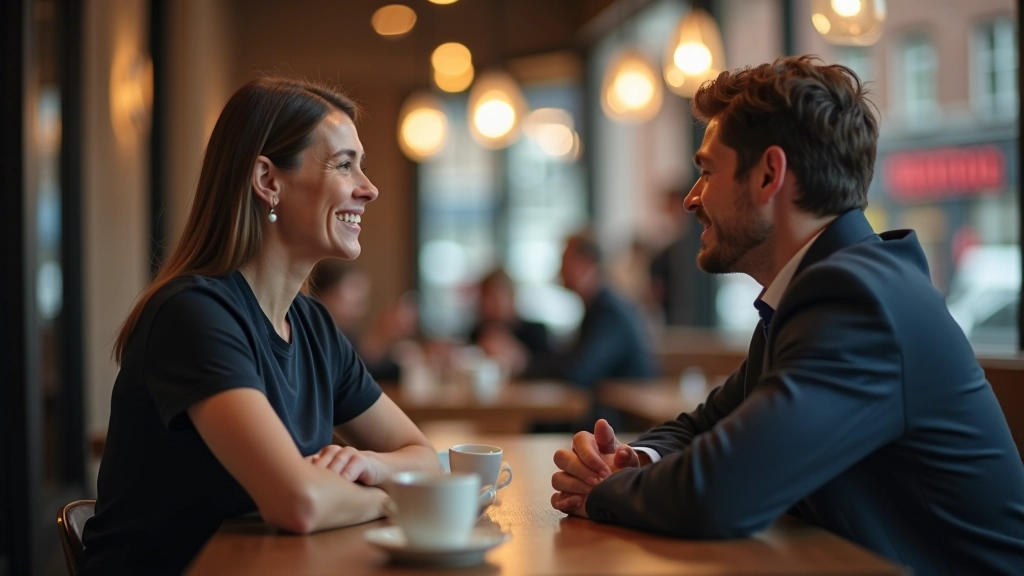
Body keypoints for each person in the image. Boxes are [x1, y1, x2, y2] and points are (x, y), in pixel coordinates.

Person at [550, 56, 1024, 575]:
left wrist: (607, 488)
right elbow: (705, 427)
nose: (691, 198)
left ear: (770, 175)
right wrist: (628, 461)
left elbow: (724, 492)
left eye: (707, 171)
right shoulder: (821, 288)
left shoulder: (857, 300)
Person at [81, 77, 440, 575]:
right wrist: (393, 498)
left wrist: (373, 467)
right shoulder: (194, 314)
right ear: (268, 180)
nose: (369, 187)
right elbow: (300, 504)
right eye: (344, 164)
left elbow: (424, 457)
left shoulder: (312, 324)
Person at [309, 259, 418, 381]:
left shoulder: (346, 335)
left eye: (361, 301)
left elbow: (364, 368)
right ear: (321, 294)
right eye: (355, 300)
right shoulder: (310, 338)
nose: (361, 310)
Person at [470, 267, 552, 377]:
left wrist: (519, 358)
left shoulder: (536, 332)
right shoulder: (478, 332)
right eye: (485, 298)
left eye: (496, 298)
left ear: (511, 297)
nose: (489, 306)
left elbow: (552, 368)